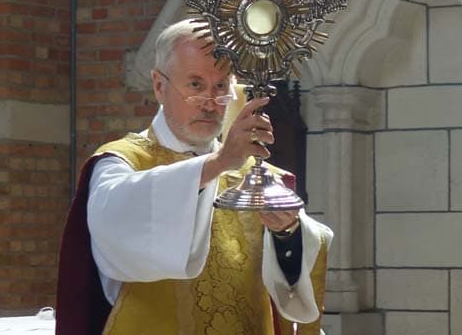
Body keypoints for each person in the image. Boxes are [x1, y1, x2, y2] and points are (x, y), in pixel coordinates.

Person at [55, 19, 333, 335]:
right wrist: (217, 164)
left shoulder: (260, 176)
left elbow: (291, 284)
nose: (211, 103)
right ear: (159, 86)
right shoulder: (122, 161)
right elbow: (117, 226)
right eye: (196, 85)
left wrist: (288, 233)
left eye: (220, 87)